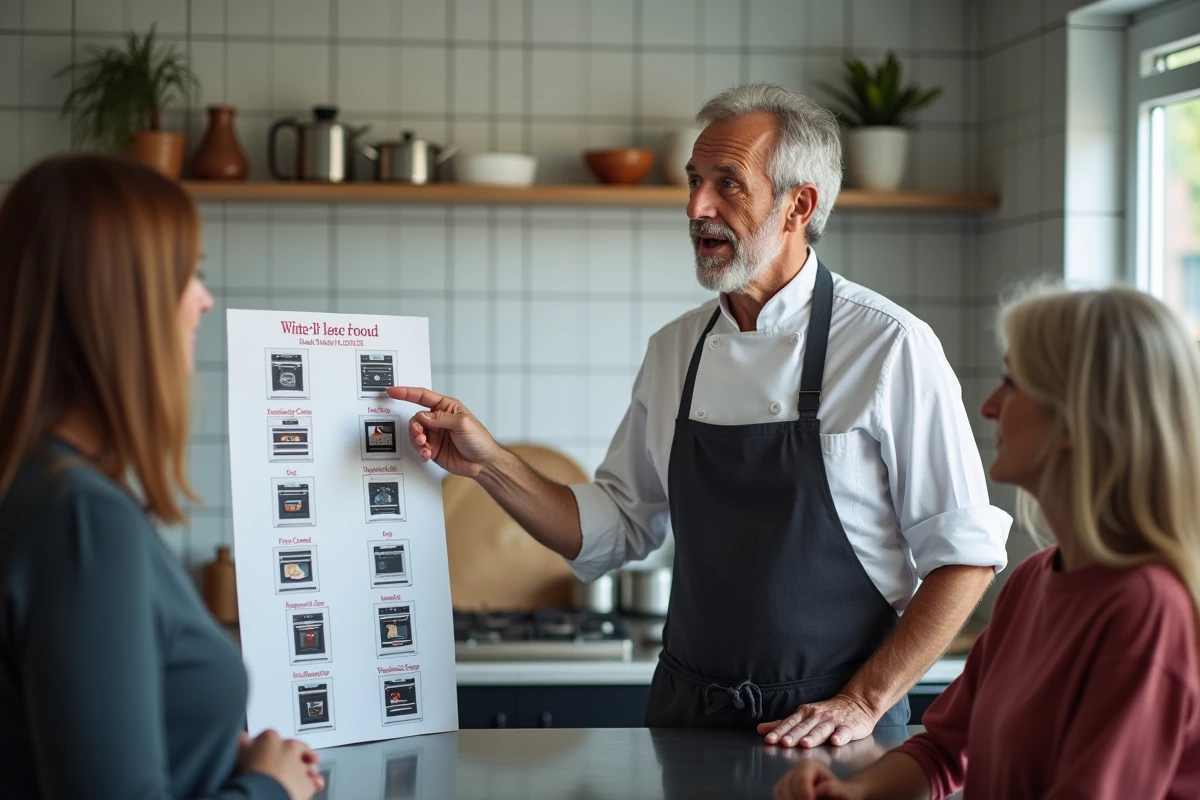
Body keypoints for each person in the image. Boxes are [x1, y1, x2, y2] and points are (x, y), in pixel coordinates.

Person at [388, 82, 1011, 746]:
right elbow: (618, 526)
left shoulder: (888, 346)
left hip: (832, 734)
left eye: (727, 185)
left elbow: (965, 557)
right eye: (692, 182)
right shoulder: (675, 350)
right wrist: (490, 465)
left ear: (798, 205)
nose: (696, 208)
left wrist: (861, 702)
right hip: (689, 718)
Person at [773, 284, 1200, 799]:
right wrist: (856, 793)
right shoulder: (1033, 582)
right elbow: (945, 750)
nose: (990, 405)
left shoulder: (1145, 610)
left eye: (1013, 383)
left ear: (1074, 415)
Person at [0, 155, 323, 800]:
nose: (204, 299)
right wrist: (270, 787)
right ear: (120, 303)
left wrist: (197, 751)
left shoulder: (36, 486)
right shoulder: (83, 520)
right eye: (189, 275)